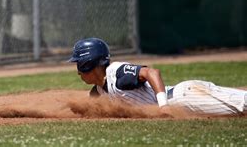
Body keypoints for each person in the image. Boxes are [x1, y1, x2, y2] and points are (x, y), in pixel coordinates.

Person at [68, 37, 247, 116]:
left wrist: (163, 106)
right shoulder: (99, 89)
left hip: (183, 97)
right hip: (183, 101)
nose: (78, 71)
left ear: (91, 63)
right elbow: (90, 103)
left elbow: (151, 72)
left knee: (242, 105)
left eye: (80, 65)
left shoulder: (117, 73)